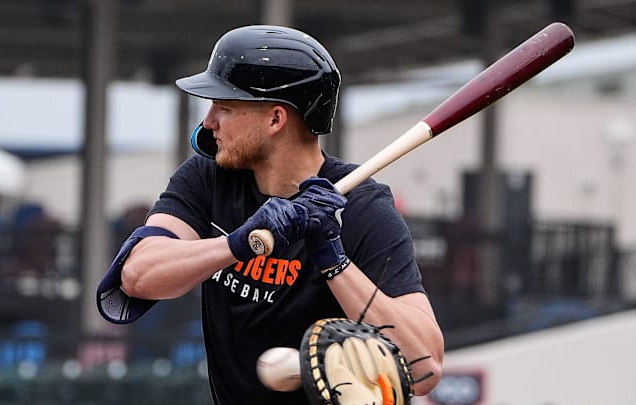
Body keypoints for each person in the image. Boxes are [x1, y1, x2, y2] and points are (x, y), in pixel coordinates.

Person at [97, 25, 443, 404]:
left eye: (224, 108)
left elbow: (425, 368)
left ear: (275, 120)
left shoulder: (362, 208)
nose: (208, 122)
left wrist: (335, 262)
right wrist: (238, 243)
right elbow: (137, 275)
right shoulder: (209, 178)